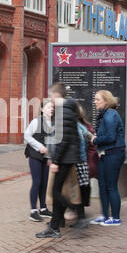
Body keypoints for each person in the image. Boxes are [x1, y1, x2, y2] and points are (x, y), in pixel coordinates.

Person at [36, 83, 81, 238]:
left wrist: (55, 160)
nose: (50, 99)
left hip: (65, 158)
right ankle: (55, 226)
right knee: (57, 191)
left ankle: (76, 211)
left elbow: (63, 138)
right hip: (66, 157)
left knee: (55, 192)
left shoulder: (64, 111)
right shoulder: (66, 110)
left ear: (56, 95)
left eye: (51, 95)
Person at [90, 90, 126, 227]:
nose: (95, 102)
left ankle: (115, 218)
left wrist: (95, 140)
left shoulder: (110, 115)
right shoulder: (105, 114)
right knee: (102, 185)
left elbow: (110, 137)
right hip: (106, 154)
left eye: (97, 99)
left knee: (111, 186)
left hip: (114, 154)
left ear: (106, 101)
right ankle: (105, 216)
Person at [24, 100, 54, 222]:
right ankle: (33, 211)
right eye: (48, 107)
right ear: (42, 109)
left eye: (52, 107)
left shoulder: (54, 123)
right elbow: (27, 136)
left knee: (45, 183)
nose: (51, 109)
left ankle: (43, 208)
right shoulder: (36, 121)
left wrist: (51, 157)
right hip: (35, 155)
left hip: (46, 157)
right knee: (37, 182)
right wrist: (39, 146)